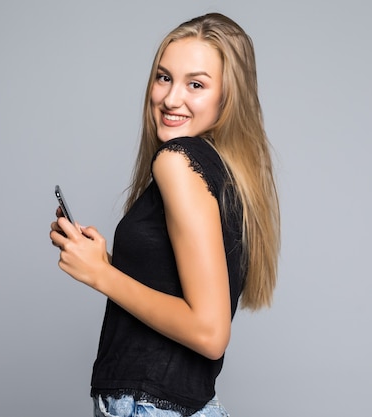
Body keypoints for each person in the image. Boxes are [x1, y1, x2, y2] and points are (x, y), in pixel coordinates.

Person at [49, 12, 280, 417]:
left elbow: (209, 333)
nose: (171, 99)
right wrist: (105, 263)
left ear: (228, 96)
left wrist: (102, 276)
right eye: (163, 77)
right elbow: (179, 289)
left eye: (196, 84)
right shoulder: (224, 172)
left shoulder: (178, 161)